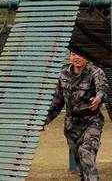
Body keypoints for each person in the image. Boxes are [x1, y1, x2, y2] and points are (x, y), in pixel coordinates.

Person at [45, 50, 109, 181]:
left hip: (92, 122)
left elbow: (103, 88)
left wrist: (98, 98)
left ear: (86, 56)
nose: (77, 58)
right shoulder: (63, 74)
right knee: (81, 166)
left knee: (86, 153)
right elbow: (57, 103)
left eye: (80, 55)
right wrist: (44, 121)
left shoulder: (95, 72)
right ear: (69, 56)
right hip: (71, 126)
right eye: (74, 54)